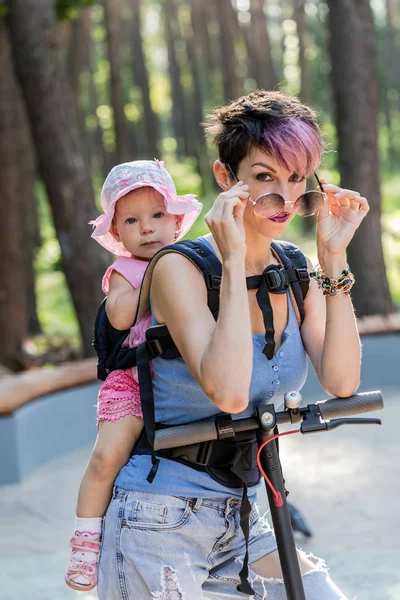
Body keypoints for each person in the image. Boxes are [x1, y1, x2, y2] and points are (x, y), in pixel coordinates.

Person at [97, 90, 369, 600]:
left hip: (245, 511)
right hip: (159, 518)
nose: (285, 200)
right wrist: (232, 259)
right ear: (227, 178)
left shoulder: (292, 268)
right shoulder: (179, 268)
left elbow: (342, 380)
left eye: (296, 180)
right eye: (265, 177)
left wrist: (332, 259)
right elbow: (228, 392)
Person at [65, 159, 202, 592]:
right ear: (118, 233)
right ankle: (86, 541)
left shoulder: (190, 260)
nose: (147, 228)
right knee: (108, 457)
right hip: (132, 379)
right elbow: (122, 316)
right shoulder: (124, 271)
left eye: (157, 215)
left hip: (178, 377)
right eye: (132, 220)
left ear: (176, 220)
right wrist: (155, 275)